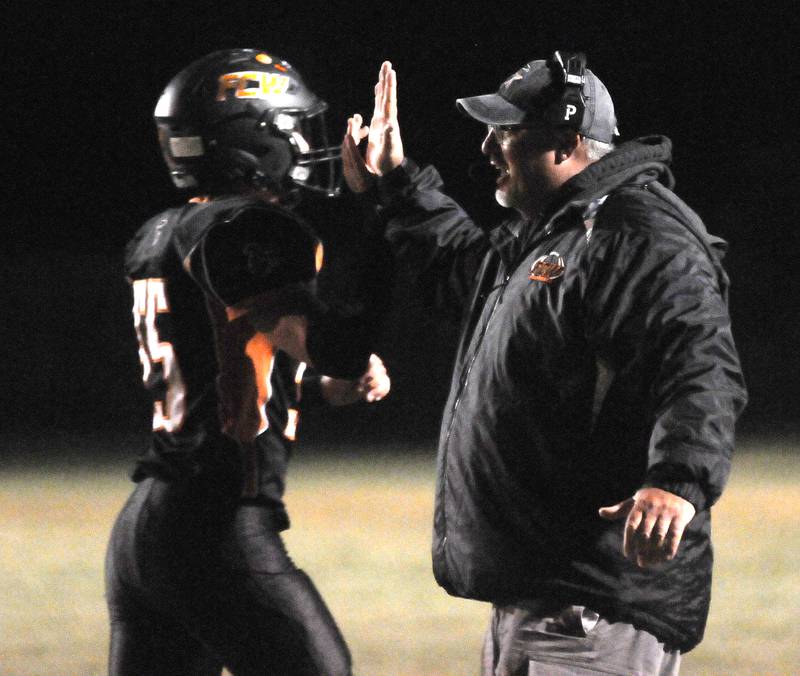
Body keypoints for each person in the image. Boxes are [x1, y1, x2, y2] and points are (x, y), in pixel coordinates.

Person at [343, 54, 747, 675]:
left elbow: (698, 360)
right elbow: (460, 267)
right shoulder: (551, 232)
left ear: (565, 140)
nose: (486, 146)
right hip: (540, 594)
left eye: (505, 131)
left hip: (592, 603)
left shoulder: (635, 235)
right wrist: (395, 179)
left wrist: (678, 478)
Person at [105, 48, 390, 675]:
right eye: (291, 128)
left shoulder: (162, 231)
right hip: (215, 527)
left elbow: (219, 369)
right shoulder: (246, 228)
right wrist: (387, 212)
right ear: (250, 144)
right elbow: (337, 343)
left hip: (146, 526)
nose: (304, 144)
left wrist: (314, 386)